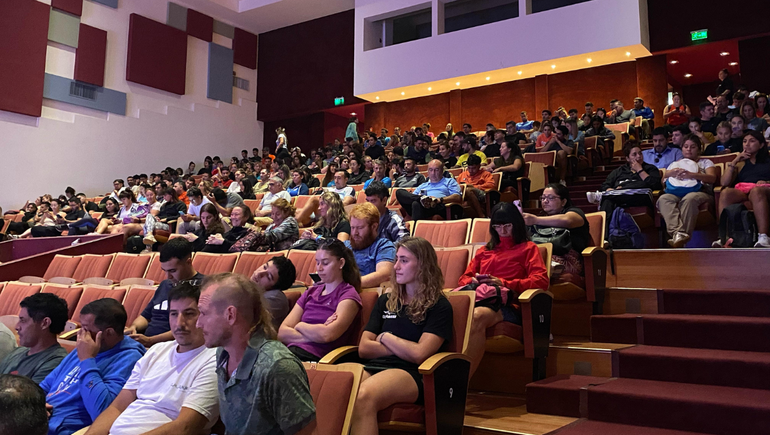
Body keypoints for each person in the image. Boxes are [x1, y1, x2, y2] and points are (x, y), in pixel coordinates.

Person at [84, 283, 219, 435]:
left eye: (189, 313)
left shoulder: (214, 360)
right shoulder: (156, 351)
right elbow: (117, 407)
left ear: (204, 316)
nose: (179, 323)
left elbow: (185, 427)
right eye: (174, 314)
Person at [350, 237, 454, 434]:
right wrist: (403, 347)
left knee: (363, 395)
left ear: (423, 265)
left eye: (404, 260)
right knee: (339, 390)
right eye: (396, 259)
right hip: (375, 366)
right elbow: (364, 348)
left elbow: (419, 354)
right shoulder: (386, 301)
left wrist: (386, 337)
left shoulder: (439, 306)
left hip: (414, 373)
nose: (396, 266)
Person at [196, 273, 315, 435]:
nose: (198, 323)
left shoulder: (277, 366)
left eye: (203, 313)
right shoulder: (222, 353)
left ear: (230, 315)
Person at [460, 202, 549, 376]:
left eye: (507, 225)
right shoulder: (485, 250)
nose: (502, 230)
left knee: (477, 316)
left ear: (516, 224)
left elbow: (540, 281)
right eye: (498, 226)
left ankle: (460, 382)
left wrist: (504, 283)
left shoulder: (528, 248)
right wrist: (476, 281)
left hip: (509, 304)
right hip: (482, 297)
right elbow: (463, 278)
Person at [41, 299, 146, 435]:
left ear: (109, 333)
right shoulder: (84, 345)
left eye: (86, 329)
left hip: (63, 429)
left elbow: (102, 411)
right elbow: (46, 385)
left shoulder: (129, 359)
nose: (80, 334)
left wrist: (87, 360)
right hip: (39, 420)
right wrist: (35, 405)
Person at [278, 239, 362, 362]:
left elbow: (327, 335)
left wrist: (299, 325)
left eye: (325, 263)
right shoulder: (311, 292)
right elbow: (282, 332)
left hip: (316, 358)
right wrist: (316, 333)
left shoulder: (348, 294)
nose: (319, 268)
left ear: (341, 263)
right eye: (317, 263)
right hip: (292, 353)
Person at [125, 239, 204, 347]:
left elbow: (189, 328)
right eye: (164, 270)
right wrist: (134, 328)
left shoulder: (203, 287)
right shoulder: (165, 285)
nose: (168, 276)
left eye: (172, 271)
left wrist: (150, 340)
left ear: (188, 262)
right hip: (147, 344)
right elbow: (146, 316)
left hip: (172, 346)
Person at [522, 184, 590, 287]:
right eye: (543, 198)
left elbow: (568, 221)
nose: (545, 201)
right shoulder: (540, 218)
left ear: (563, 201)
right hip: (544, 256)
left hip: (567, 259)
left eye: (550, 198)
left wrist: (535, 220)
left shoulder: (574, 212)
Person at [656, 135, 717, 248]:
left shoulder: (705, 162)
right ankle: (677, 233)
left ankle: (682, 237)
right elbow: (663, 181)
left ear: (698, 149)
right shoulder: (676, 164)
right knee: (663, 199)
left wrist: (692, 175)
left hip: (701, 193)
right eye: (686, 146)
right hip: (676, 193)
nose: (689, 149)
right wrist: (671, 173)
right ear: (682, 149)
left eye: (692, 147)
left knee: (689, 199)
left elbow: (712, 178)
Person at [714, 131, 770, 248]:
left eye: (752, 141)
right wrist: (735, 161)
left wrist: (766, 182)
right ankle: (724, 236)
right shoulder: (740, 163)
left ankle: (763, 236)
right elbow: (724, 182)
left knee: (756, 191)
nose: (747, 144)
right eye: (744, 141)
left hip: (764, 190)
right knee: (726, 193)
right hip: (744, 189)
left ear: (761, 145)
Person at [0, 294, 68, 384]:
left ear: (45, 323)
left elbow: (29, 397)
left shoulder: (56, 361)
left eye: (23, 320)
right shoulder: (17, 352)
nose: (17, 326)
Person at [599, 141, 662, 236]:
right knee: (607, 201)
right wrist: (609, 189)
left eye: (640, 153)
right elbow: (604, 185)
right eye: (634, 154)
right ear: (627, 158)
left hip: (640, 197)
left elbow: (655, 185)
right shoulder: (618, 172)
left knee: (639, 186)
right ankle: (605, 237)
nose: (639, 157)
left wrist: (639, 170)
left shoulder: (650, 168)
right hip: (620, 199)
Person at [344, 203, 396, 288]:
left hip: (363, 294)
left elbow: (384, 275)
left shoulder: (383, 246)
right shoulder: (345, 246)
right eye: (352, 227)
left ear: (374, 227)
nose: (355, 233)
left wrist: (348, 286)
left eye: (360, 228)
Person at [396, 160, 462, 221]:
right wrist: (421, 199)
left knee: (416, 204)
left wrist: (439, 200)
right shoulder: (423, 185)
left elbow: (457, 197)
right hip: (421, 207)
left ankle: (416, 229)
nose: (433, 173)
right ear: (428, 171)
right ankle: (423, 199)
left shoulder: (449, 181)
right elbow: (412, 197)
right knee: (399, 192)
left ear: (442, 171)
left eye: (436, 170)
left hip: (436, 206)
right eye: (431, 170)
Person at [229, 199, 299, 252]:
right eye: (272, 214)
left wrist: (257, 232)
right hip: (269, 253)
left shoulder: (290, 222)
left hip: (283, 254)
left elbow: (271, 236)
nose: (273, 217)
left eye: (278, 214)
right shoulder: (273, 224)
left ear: (287, 213)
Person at [250, 257, 297, 330]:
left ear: (275, 288)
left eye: (268, 277)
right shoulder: (248, 288)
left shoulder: (275, 298)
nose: (259, 273)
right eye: (264, 267)